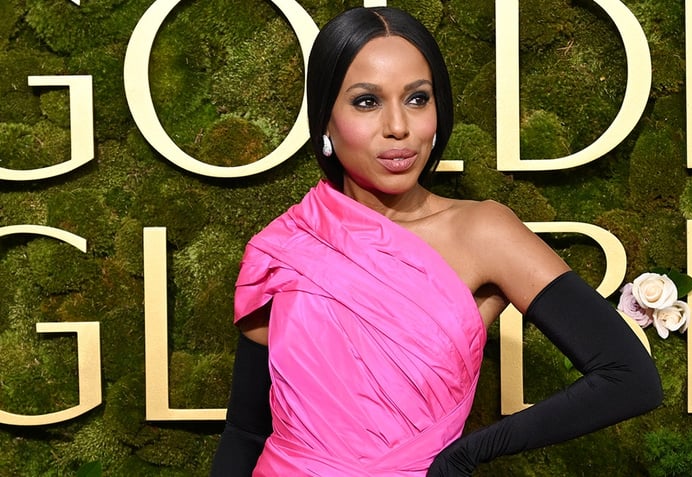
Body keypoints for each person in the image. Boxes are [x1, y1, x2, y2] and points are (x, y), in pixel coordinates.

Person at [211, 6, 662, 476]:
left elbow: (630, 378)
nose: (398, 127)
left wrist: (468, 452)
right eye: (366, 101)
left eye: (417, 99)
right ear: (325, 118)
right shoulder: (287, 247)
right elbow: (246, 431)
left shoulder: (482, 233)